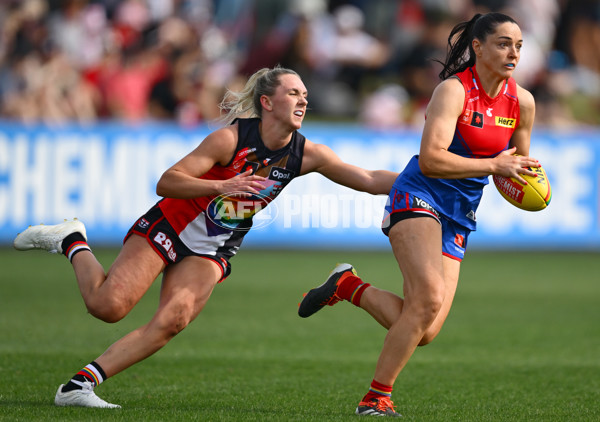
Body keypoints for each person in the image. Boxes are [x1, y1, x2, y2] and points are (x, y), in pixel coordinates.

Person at [13, 65, 398, 408]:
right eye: (293, 93)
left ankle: (78, 386)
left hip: (214, 246)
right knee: (107, 307)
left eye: (305, 95)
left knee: (173, 320)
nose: (303, 100)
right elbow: (168, 181)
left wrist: (424, 181)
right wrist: (223, 186)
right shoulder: (229, 140)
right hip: (171, 225)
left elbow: (367, 179)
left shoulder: (306, 153)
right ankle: (72, 240)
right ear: (267, 101)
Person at [298, 13, 540, 417]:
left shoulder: (523, 102)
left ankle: (347, 285)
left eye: (518, 45)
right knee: (426, 299)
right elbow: (431, 161)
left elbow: (514, 166)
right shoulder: (453, 91)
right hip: (419, 195)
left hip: (459, 215)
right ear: (477, 47)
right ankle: (376, 397)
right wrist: (494, 167)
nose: (513, 52)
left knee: (424, 329)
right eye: (502, 43)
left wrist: (523, 180)